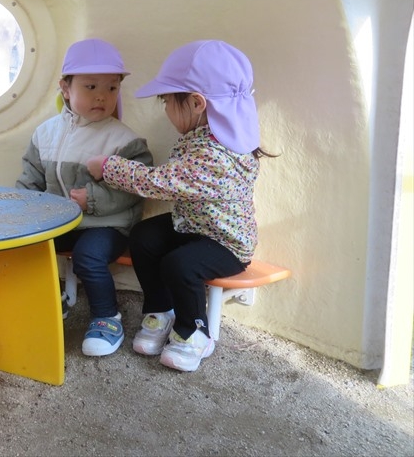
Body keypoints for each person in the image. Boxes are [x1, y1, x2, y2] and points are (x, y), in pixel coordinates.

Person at [87, 39, 275, 372]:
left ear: (197, 103)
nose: (166, 111)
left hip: (226, 244)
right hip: (192, 225)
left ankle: (194, 332)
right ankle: (160, 311)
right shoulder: (210, 136)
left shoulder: (217, 154)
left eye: (168, 102)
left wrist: (109, 167)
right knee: (144, 236)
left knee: (181, 264)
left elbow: (161, 182)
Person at [16, 38, 154, 357]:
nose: (102, 96)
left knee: (88, 257)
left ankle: (107, 317)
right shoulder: (45, 133)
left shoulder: (124, 140)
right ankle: (51, 299)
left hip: (106, 225)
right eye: (90, 87)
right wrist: (22, 212)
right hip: (59, 221)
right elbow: (30, 178)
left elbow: (134, 188)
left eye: (111, 88)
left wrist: (90, 199)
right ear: (65, 89)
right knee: (28, 246)